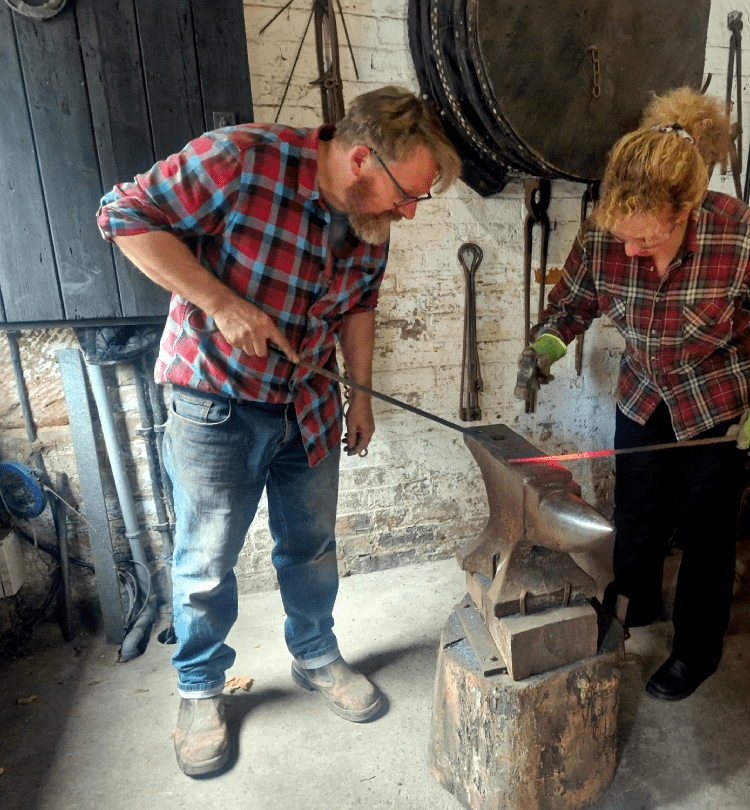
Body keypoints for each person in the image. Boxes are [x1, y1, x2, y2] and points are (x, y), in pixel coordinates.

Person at [96, 86, 461, 775]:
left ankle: (316, 654)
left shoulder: (368, 222)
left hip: (310, 402)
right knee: (206, 561)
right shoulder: (240, 159)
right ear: (360, 160)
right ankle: (200, 688)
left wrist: (358, 395)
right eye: (406, 194)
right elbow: (121, 215)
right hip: (216, 400)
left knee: (313, 547)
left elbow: (360, 305)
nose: (409, 212)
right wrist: (220, 303)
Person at [525, 87, 750, 701]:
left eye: (646, 241)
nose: (631, 253)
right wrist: (548, 346)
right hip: (643, 394)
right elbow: (572, 304)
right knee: (637, 514)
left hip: (718, 406)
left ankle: (696, 650)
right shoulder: (604, 236)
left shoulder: (736, 235)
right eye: (622, 239)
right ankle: (632, 606)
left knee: (707, 534)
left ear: (686, 212)